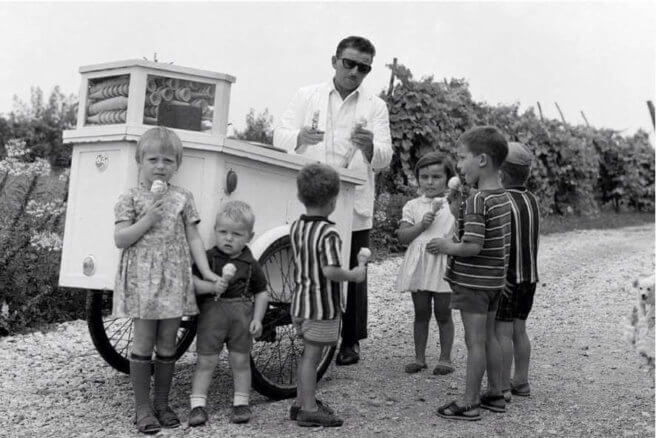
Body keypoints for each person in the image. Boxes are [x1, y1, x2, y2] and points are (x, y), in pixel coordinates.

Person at [273, 35, 392, 366]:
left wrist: (370, 147)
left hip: (353, 198)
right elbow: (278, 135)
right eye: (349, 63)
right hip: (312, 195)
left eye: (363, 68)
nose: (355, 72)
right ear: (334, 61)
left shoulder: (375, 106)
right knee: (309, 264)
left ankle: (351, 338)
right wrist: (299, 137)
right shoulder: (306, 95)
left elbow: (385, 157)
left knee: (354, 266)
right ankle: (307, 327)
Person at [112, 126, 220, 434]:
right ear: (140, 161)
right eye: (154, 159)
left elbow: (194, 238)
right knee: (144, 341)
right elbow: (121, 238)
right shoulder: (130, 198)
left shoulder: (183, 197)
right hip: (142, 279)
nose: (160, 166)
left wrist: (207, 272)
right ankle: (142, 407)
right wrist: (148, 219)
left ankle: (162, 403)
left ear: (177, 165)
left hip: (174, 276)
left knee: (167, 343)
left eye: (168, 161)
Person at [426, 126, 511, 421]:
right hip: (494, 282)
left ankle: (469, 401)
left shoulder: (478, 199)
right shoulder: (503, 197)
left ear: (483, 160)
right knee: (489, 337)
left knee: (474, 342)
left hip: (473, 284)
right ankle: (496, 393)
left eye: (463, 158)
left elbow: (473, 245)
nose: (459, 165)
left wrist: (446, 245)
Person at [288, 163, 367, 427]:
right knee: (312, 356)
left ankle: (301, 402)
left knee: (306, 355)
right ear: (334, 201)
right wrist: (354, 275)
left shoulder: (298, 226)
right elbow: (330, 270)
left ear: (300, 197)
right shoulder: (329, 233)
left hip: (300, 301)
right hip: (321, 306)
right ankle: (309, 409)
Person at [188, 200, 269, 426]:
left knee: (240, 361)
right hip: (212, 317)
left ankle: (241, 403)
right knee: (206, 361)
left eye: (236, 234)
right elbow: (192, 281)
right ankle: (197, 405)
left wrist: (258, 319)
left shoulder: (250, 263)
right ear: (214, 231)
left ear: (249, 237)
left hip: (241, 320)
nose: (228, 238)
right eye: (222, 232)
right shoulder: (208, 258)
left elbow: (262, 292)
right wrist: (210, 286)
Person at [395, 152, 457, 375]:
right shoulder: (413, 205)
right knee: (421, 312)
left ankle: (445, 358)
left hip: (442, 264)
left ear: (448, 178)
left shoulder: (454, 204)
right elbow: (403, 237)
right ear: (418, 179)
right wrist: (422, 225)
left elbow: (463, 233)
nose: (430, 182)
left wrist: (447, 243)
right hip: (420, 266)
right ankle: (419, 357)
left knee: (443, 312)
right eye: (424, 177)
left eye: (436, 177)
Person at [494, 142, 540, 402]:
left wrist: (499, 276)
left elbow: (501, 243)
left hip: (507, 278)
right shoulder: (532, 200)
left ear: (500, 174)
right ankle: (521, 381)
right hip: (529, 277)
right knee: (519, 329)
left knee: (502, 332)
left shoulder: (501, 201)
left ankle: (501, 386)